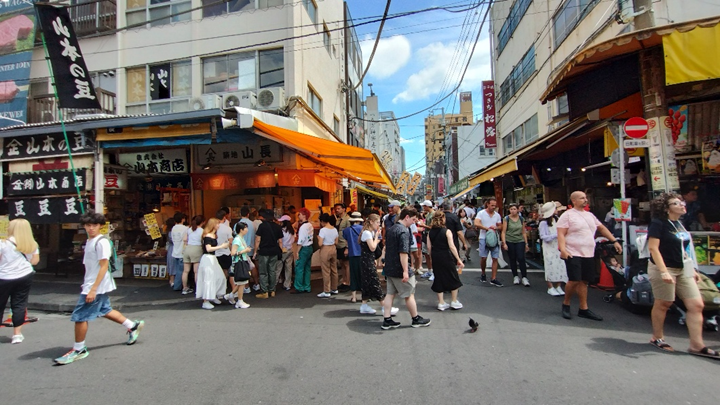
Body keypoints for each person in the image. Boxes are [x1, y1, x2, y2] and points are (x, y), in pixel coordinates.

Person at [54, 211, 144, 365]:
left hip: (96, 285)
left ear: (100, 226)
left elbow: (104, 266)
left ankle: (79, 349)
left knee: (80, 316)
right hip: (94, 283)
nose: (91, 228)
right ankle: (132, 325)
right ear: (84, 226)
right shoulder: (90, 241)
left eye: (94, 225)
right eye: (88, 225)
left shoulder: (101, 242)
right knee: (105, 309)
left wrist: (93, 289)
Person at [647, 193, 718, 358]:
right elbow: (653, 248)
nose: (681, 205)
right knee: (664, 303)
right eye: (676, 203)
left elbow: (682, 248)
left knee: (696, 305)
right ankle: (657, 337)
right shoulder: (658, 223)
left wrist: (692, 269)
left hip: (682, 268)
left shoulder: (679, 224)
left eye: (681, 202)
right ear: (666, 208)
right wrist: (664, 271)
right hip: (664, 267)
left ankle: (696, 344)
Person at [557, 191, 621, 321]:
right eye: (582, 198)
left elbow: (601, 228)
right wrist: (563, 249)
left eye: (585, 198)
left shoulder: (590, 215)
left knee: (585, 281)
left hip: (588, 252)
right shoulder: (567, 215)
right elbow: (561, 234)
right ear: (574, 201)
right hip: (573, 252)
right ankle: (566, 303)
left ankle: (583, 308)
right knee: (574, 279)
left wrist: (614, 240)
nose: (585, 200)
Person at [380, 208, 431, 330]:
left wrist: (384, 259)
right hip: (399, 268)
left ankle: (387, 319)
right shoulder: (403, 231)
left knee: (390, 294)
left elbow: (387, 247)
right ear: (407, 217)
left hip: (390, 266)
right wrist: (405, 271)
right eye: (413, 219)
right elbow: (403, 252)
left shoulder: (392, 229)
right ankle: (415, 318)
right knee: (409, 294)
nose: (414, 222)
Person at [0, 219, 40, 344]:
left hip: (4, 276)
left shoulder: (3, 243)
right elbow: (35, 261)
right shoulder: (32, 244)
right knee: (19, 303)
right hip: (25, 275)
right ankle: (17, 334)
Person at [358, 214, 398, 315]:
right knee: (375, 282)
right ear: (371, 222)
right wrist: (376, 238)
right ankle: (384, 306)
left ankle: (364, 305)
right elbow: (372, 247)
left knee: (367, 283)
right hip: (367, 261)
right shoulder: (367, 233)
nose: (378, 225)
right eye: (377, 222)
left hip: (367, 259)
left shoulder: (369, 232)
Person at [427, 211, 464, 311]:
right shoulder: (447, 231)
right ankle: (454, 301)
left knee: (438, 277)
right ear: (443, 219)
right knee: (453, 276)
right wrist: (458, 259)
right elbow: (452, 246)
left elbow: (429, 247)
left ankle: (441, 303)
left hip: (435, 255)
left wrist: (431, 257)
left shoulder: (430, 232)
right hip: (446, 255)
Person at [196, 218, 230, 309]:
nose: (219, 225)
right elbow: (208, 249)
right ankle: (205, 301)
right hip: (208, 258)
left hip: (213, 258)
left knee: (220, 277)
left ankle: (213, 295)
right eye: (217, 224)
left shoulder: (213, 235)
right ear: (213, 225)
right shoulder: (207, 236)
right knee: (208, 278)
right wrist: (221, 246)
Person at [539, 202, 567, 296]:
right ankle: (550, 287)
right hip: (549, 247)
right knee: (550, 266)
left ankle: (558, 286)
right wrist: (556, 235)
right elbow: (543, 236)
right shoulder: (543, 223)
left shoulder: (557, 220)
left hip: (558, 246)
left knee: (560, 265)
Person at [253, 210, 283, 299]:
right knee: (272, 271)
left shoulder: (262, 226)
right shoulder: (277, 227)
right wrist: (280, 251)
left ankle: (264, 291)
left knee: (263, 272)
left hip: (264, 251)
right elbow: (280, 241)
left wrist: (255, 251)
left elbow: (258, 240)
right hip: (274, 251)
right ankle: (272, 290)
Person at [474, 197, 503, 287]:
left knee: (495, 258)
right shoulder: (481, 213)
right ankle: (483, 273)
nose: (493, 207)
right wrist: (486, 228)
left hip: (494, 238)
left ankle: (493, 278)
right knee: (484, 258)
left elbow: (501, 226)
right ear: (487, 204)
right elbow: (476, 223)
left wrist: (496, 227)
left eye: (495, 205)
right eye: (492, 205)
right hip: (483, 238)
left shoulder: (497, 215)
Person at [501, 204, 530, 287]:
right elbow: (503, 231)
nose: (513, 211)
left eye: (514, 209)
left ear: (517, 210)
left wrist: (526, 243)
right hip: (510, 240)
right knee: (512, 258)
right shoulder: (506, 219)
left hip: (520, 240)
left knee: (521, 258)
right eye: (511, 209)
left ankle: (524, 277)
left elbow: (523, 232)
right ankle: (515, 276)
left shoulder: (521, 219)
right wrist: (504, 243)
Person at [228, 222, 252, 309]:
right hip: (239, 262)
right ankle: (240, 301)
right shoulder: (237, 240)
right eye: (245, 228)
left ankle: (231, 295)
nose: (247, 229)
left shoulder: (241, 238)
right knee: (242, 282)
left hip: (243, 261)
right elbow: (232, 253)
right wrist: (244, 251)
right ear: (241, 230)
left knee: (242, 282)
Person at [234, 207, 256, 294]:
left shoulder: (237, 224)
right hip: (251, 248)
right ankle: (256, 283)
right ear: (248, 214)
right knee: (252, 266)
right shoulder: (253, 224)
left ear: (240, 214)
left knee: (244, 268)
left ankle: (246, 286)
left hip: (241, 249)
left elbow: (235, 235)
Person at [343, 212, 364, 303]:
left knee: (353, 275)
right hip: (362, 254)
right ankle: (364, 296)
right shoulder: (363, 229)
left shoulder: (346, 230)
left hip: (352, 254)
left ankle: (354, 297)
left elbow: (346, 240)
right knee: (362, 275)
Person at [181, 215, 204, 295]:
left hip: (188, 249)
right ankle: (198, 290)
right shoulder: (202, 231)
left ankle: (184, 288)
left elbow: (184, 239)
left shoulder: (189, 229)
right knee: (196, 272)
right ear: (202, 222)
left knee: (185, 271)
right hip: (197, 249)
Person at [317, 213, 339, 298]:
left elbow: (320, 244)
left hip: (325, 249)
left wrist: (318, 238)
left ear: (322, 221)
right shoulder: (334, 229)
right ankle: (334, 288)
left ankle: (327, 290)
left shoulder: (323, 230)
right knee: (334, 269)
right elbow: (336, 242)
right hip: (333, 248)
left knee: (326, 270)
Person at [293, 208, 314, 294]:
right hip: (309, 247)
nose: (299, 216)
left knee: (299, 268)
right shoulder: (310, 225)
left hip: (303, 248)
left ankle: (299, 287)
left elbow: (301, 240)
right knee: (307, 268)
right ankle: (307, 286)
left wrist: (297, 251)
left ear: (304, 215)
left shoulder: (302, 227)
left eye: (300, 214)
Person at [215, 208, 234, 302]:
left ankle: (219, 290)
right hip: (226, 252)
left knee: (218, 272)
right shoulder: (227, 229)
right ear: (224, 217)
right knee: (228, 272)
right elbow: (230, 242)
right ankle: (226, 289)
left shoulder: (214, 228)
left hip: (216, 252)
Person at [276, 217, 295, 291]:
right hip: (290, 249)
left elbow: (280, 241)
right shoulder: (292, 230)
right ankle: (287, 284)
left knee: (278, 267)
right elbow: (293, 240)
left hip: (283, 250)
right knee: (288, 268)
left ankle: (273, 284)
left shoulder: (281, 230)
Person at [170, 213, 187, 291]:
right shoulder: (185, 228)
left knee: (178, 270)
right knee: (181, 271)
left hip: (175, 251)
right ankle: (177, 286)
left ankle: (177, 285)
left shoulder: (173, 228)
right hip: (182, 252)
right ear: (182, 219)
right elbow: (185, 239)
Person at [418, 200, 435, 279]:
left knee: (431, 254)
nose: (423, 208)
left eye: (424, 206)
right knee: (426, 254)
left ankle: (434, 272)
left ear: (427, 206)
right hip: (426, 235)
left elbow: (432, 227)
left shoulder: (433, 214)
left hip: (431, 236)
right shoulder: (428, 214)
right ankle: (429, 271)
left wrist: (423, 225)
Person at [165, 217, 176, 288]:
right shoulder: (171, 232)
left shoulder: (169, 231)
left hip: (170, 249)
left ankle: (172, 280)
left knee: (171, 264)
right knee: (173, 264)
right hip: (173, 249)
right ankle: (172, 280)